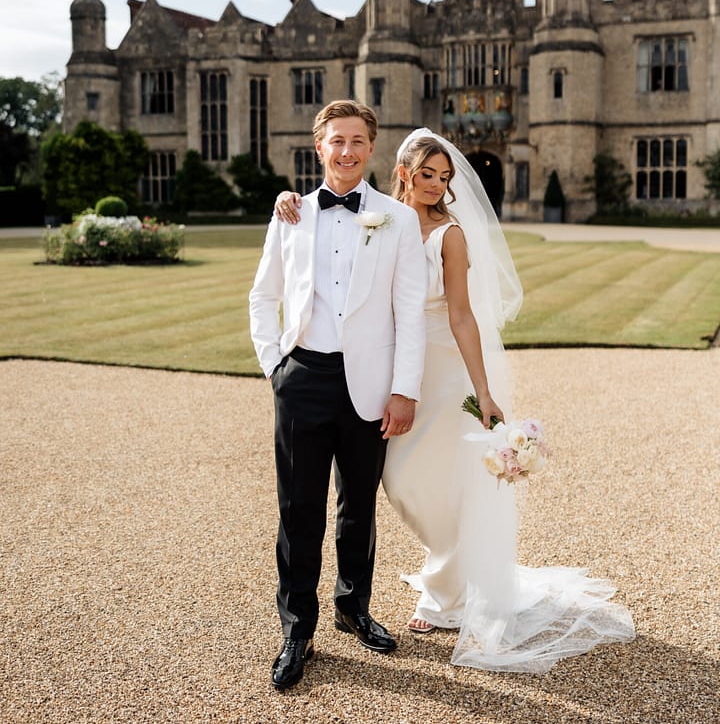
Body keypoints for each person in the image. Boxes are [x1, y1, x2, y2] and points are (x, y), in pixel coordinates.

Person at [275, 127, 635, 673]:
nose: (437, 185)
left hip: (441, 368)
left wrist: (484, 392)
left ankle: (445, 591)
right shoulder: (382, 218)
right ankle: (442, 573)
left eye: (444, 178)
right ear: (403, 172)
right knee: (395, 483)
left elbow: (464, 316)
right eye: (427, 175)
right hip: (385, 366)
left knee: (430, 485)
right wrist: (287, 200)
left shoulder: (451, 234)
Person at [249, 101, 427, 690]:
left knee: (358, 509)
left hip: (371, 387)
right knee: (298, 512)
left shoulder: (396, 219)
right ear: (318, 147)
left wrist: (404, 391)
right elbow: (262, 296)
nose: (346, 151)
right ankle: (298, 627)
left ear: (370, 148)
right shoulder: (291, 212)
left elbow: (409, 313)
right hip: (301, 380)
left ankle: (353, 607)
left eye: (356, 141)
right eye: (336, 141)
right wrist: (275, 365)